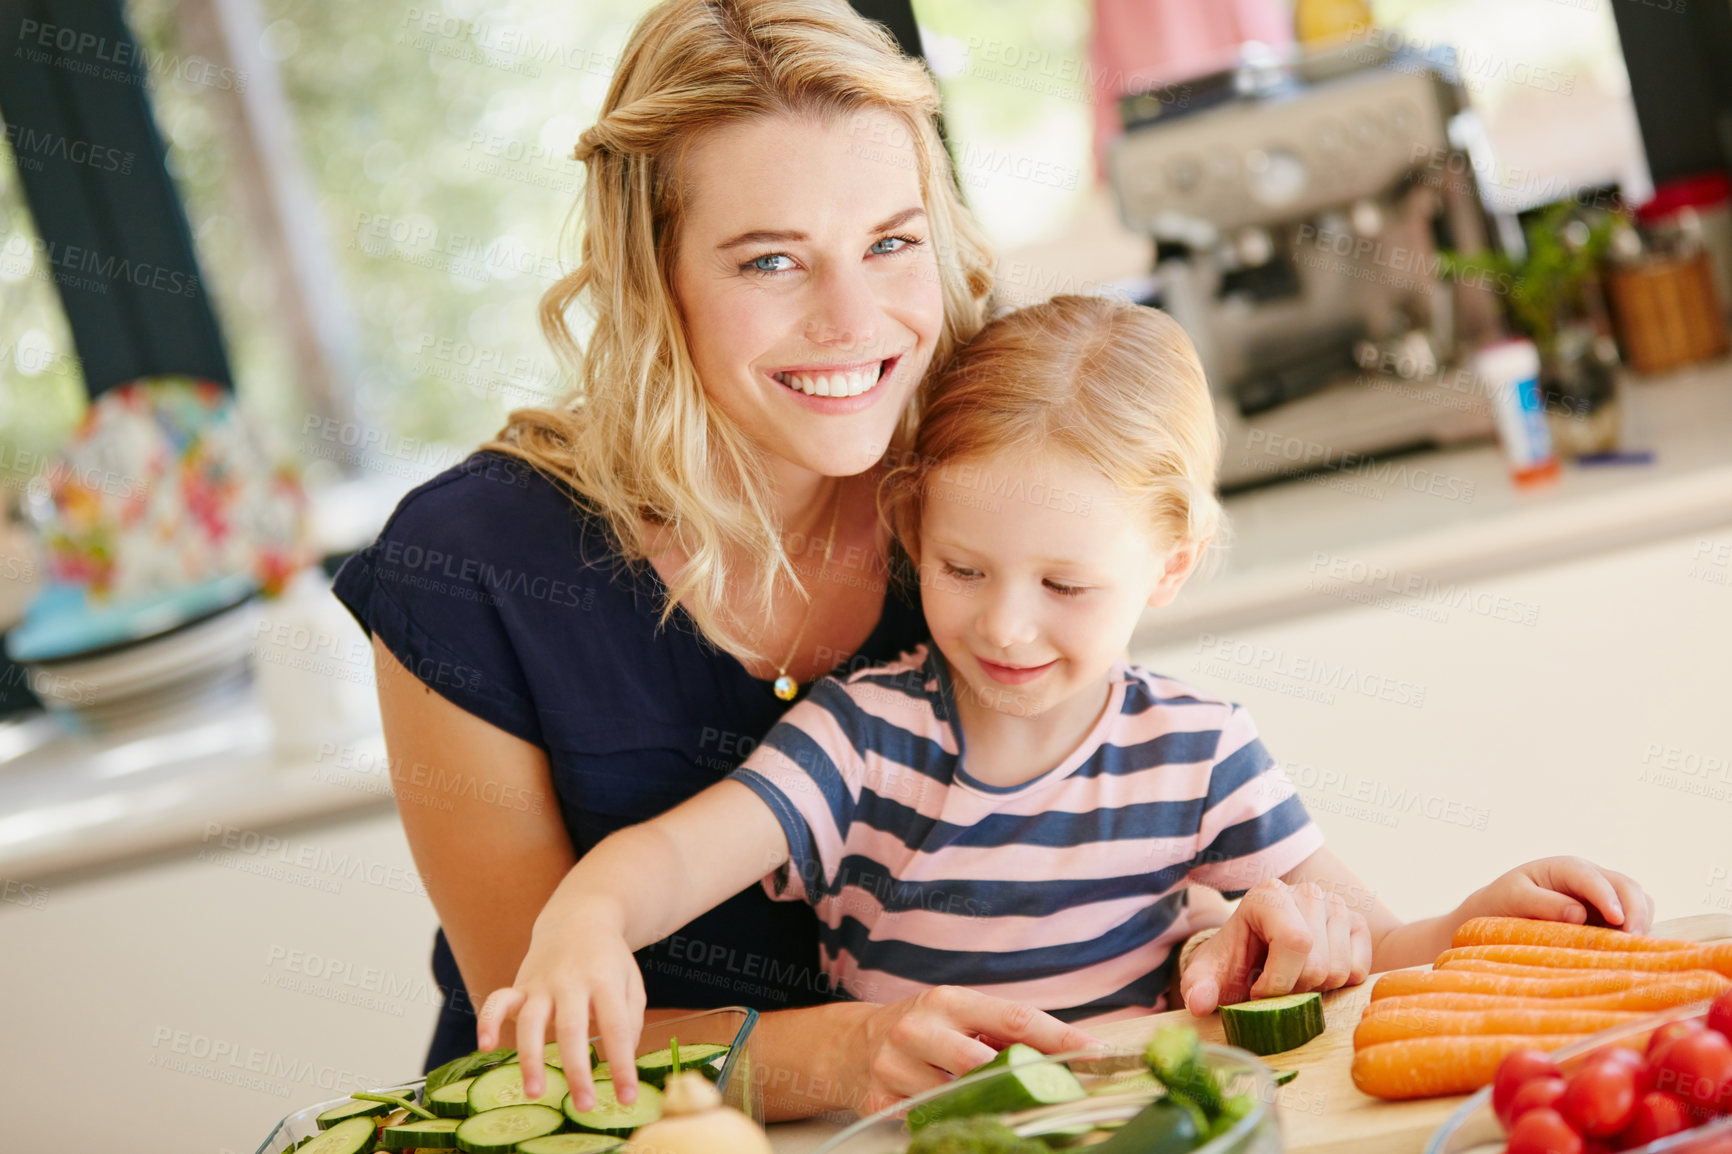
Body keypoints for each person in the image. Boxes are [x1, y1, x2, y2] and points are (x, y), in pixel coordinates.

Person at [476, 295, 1655, 1116]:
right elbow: (662, 863)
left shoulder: (1197, 747)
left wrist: (1479, 921)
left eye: (1067, 584)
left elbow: (1379, 947)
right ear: (910, 530)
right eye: (962, 569)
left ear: (1170, 567)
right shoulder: (860, 737)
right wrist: (580, 923)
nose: (1005, 625)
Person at [333, 0, 1113, 1123]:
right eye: (770, 262)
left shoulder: (988, 476)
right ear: (657, 276)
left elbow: (1107, 798)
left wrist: (1238, 914)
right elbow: (532, 1031)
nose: (855, 320)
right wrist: (846, 1052)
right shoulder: (472, 567)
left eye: (890, 243)